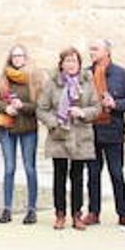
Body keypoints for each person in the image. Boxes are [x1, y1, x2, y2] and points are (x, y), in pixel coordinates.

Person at [35, 48, 100, 230]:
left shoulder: (87, 82)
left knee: (78, 177)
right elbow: (41, 109)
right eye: (67, 61)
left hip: (81, 136)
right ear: (61, 64)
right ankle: (60, 214)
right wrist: (54, 122)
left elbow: (97, 107)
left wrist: (82, 112)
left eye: (74, 61)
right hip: (59, 135)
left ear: (79, 64)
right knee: (59, 176)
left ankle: (77, 215)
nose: (71, 64)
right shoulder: (53, 84)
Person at [86, 38, 125, 226]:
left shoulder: (121, 74)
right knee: (93, 174)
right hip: (90, 131)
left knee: (116, 173)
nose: (91, 52)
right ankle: (93, 212)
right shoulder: (86, 74)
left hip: (113, 131)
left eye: (95, 48)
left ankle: (123, 213)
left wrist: (115, 104)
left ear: (107, 52)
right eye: (91, 49)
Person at [0, 45, 40, 225]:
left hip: (28, 128)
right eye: (14, 56)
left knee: (29, 168)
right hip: (8, 127)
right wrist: (7, 108)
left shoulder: (34, 78)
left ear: (26, 58)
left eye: (20, 55)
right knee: (9, 168)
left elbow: (40, 106)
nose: (17, 59)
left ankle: (32, 209)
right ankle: (7, 209)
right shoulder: (4, 77)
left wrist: (22, 106)